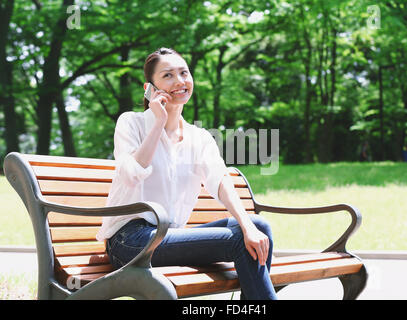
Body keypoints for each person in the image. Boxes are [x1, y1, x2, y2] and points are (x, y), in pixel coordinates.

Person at [96, 48, 277, 300]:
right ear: (150, 88)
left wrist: (247, 226)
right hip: (129, 241)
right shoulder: (131, 123)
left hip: (169, 235)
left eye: (184, 73)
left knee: (260, 227)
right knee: (239, 242)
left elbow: (220, 180)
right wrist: (158, 123)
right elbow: (132, 174)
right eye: (168, 75)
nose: (180, 81)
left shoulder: (198, 137)